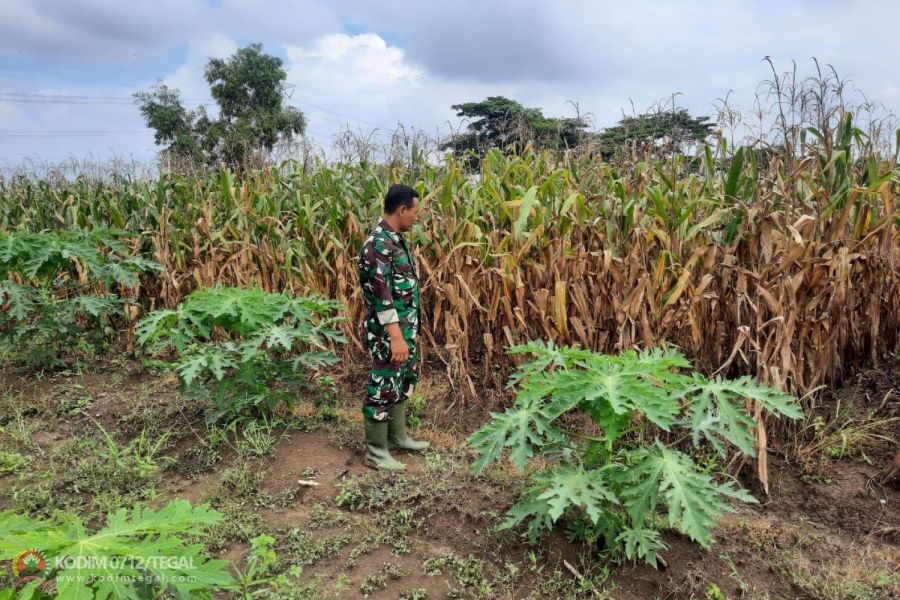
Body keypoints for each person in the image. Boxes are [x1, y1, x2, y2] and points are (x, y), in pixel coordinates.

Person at [357, 183, 430, 470]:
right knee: (383, 385)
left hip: (404, 330)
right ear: (401, 209)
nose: (416, 218)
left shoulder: (396, 240)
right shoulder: (377, 245)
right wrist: (397, 338)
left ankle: (397, 437)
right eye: (415, 212)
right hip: (390, 334)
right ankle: (376, 451)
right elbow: (382, 298)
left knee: (400, 382)